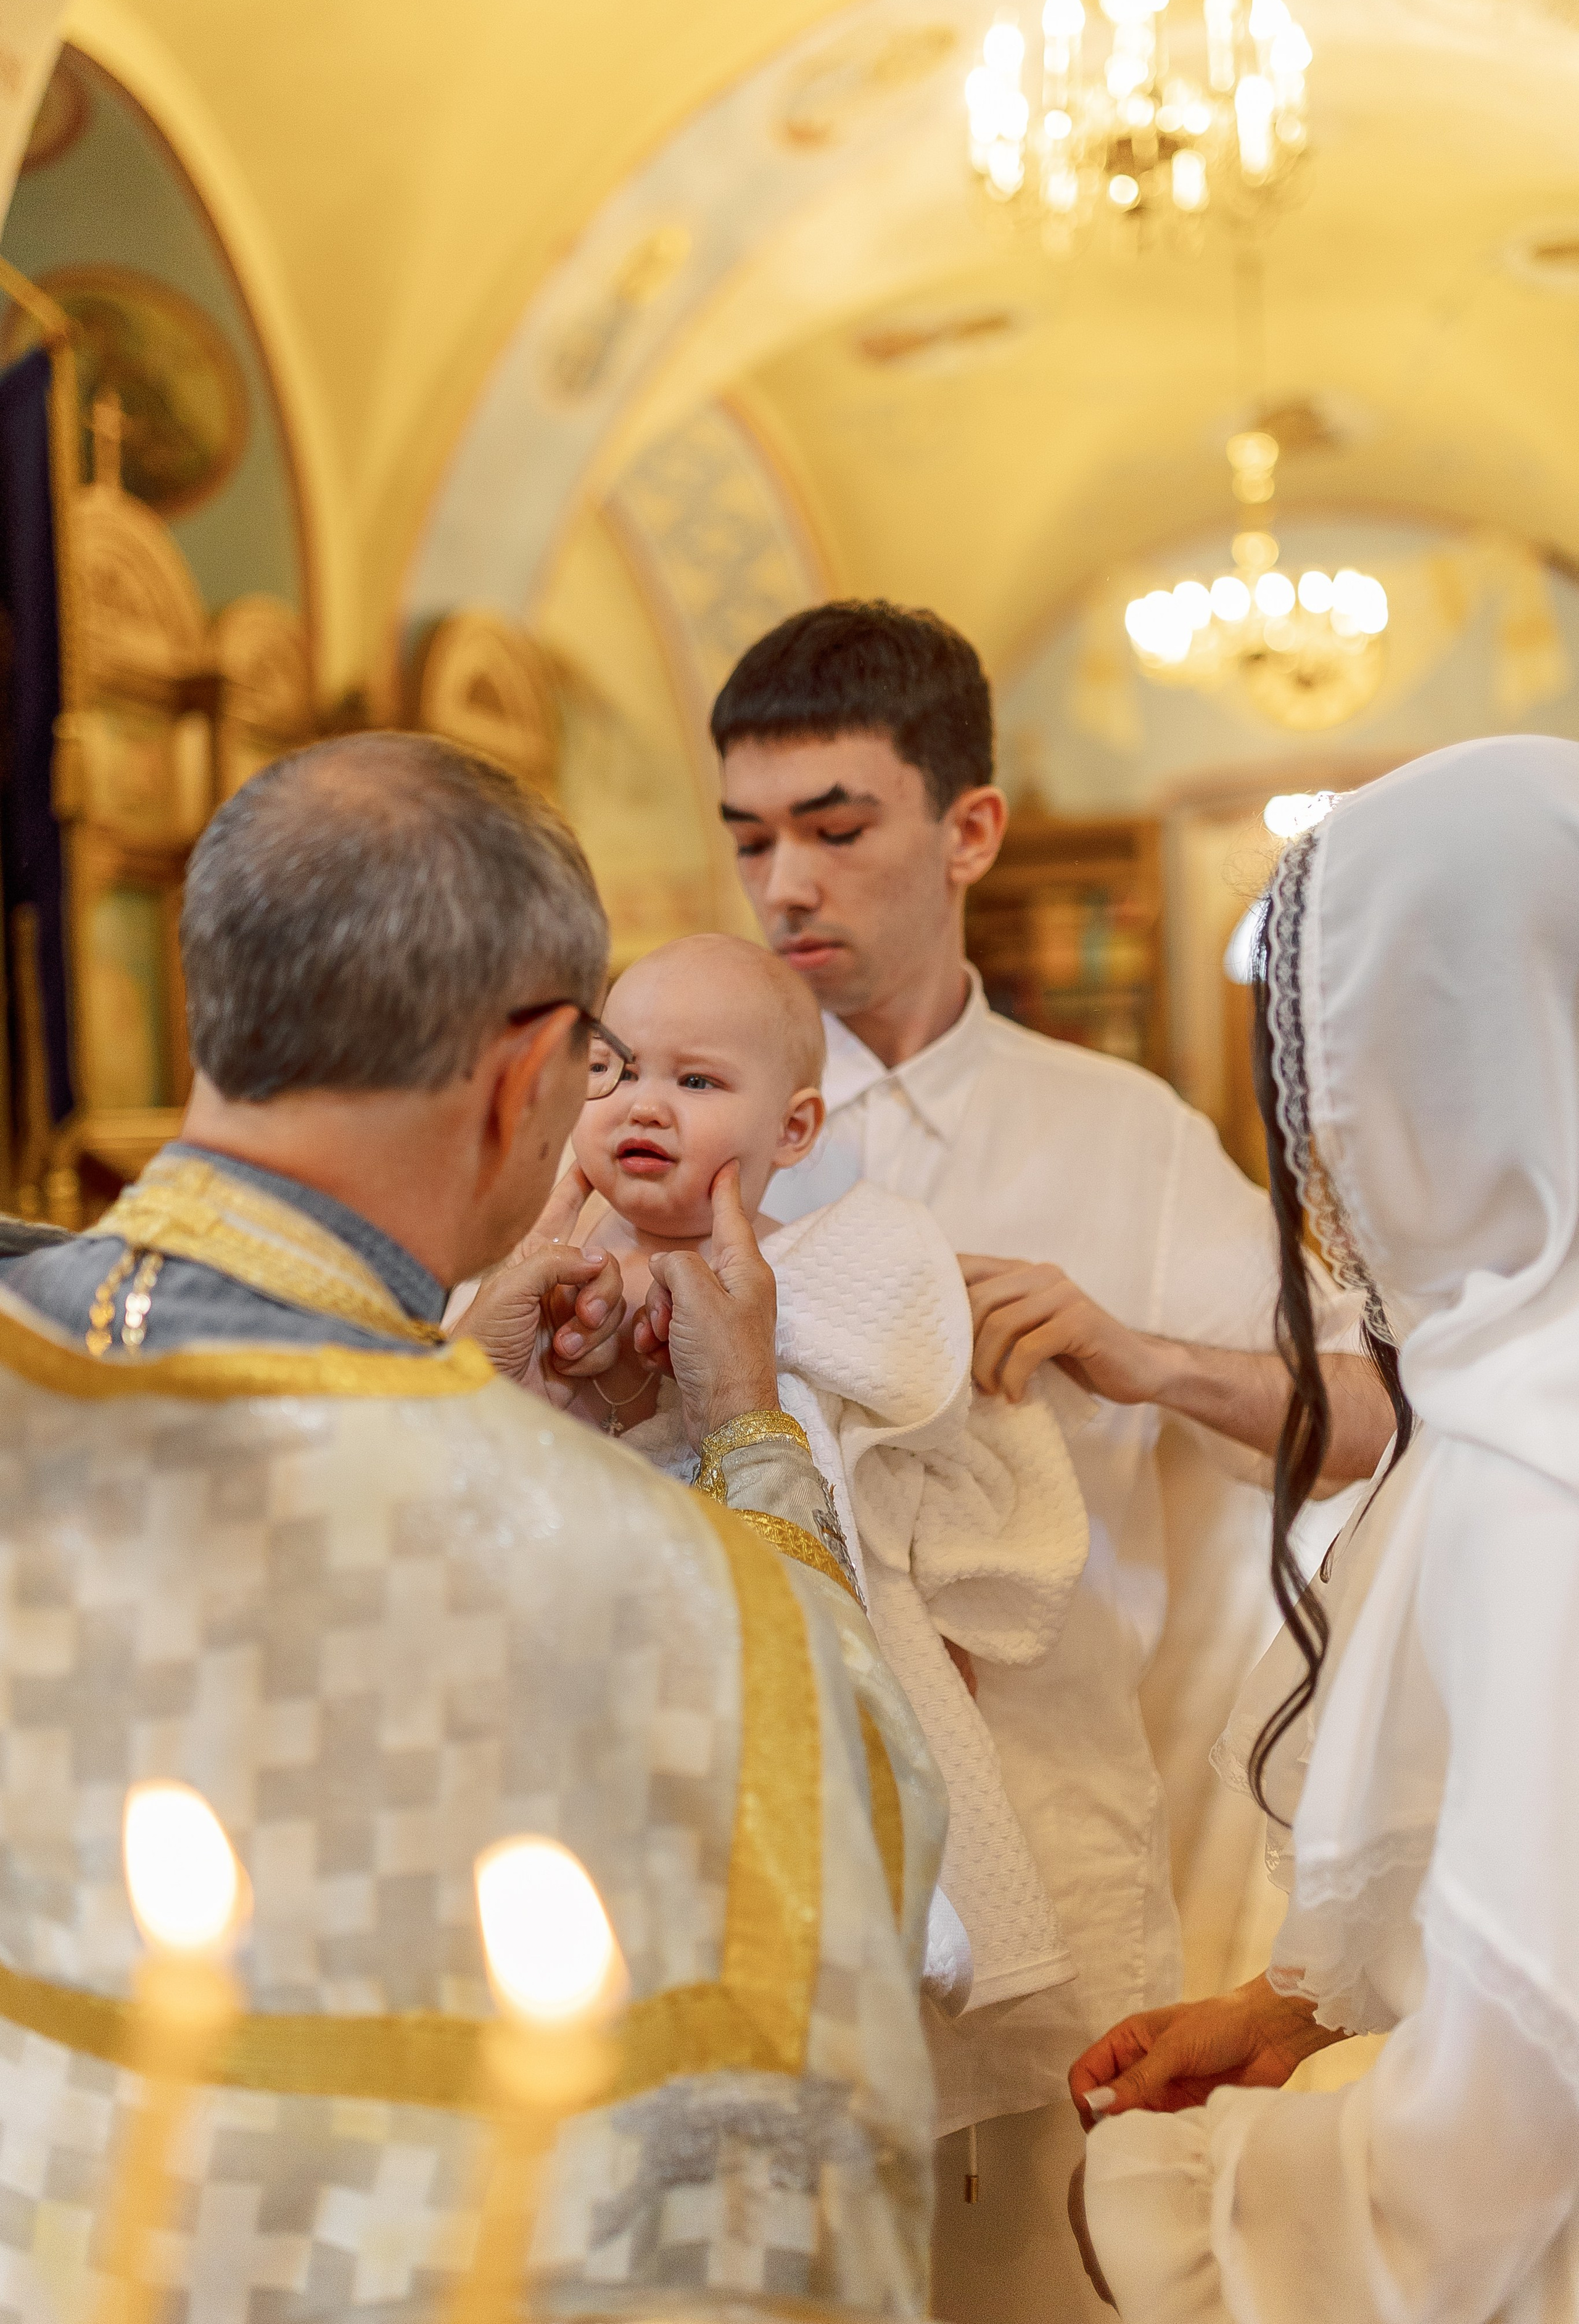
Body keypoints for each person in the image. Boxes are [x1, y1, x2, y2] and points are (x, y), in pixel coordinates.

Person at [0, 733, 948, 2322]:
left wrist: (457, 1376)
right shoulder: (679, 1600)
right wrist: (754, 1446)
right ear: (528, 1078)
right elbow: (852, 1839)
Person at [709, 601, 1396, 2324]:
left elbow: (1375, 1423)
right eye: (748, 837)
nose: (783, 884)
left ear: (971, 832)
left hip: (1069, 1854)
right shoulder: (681, 1122)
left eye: (835, 826)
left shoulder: (1126, 1140)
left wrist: (1141, 1354)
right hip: (761, 1859)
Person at [1071, 732, 1579, 2324]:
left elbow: (1516, 2082)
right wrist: (1291, 2012)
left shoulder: (1538, 1458)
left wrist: (1198, 2213)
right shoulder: (1510, 1377)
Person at [559, 930, 1092, 2019]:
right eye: (613, 1070)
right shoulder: (528, 1274)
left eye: (696, 1080)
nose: (642, 1105)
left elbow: (936, 1460)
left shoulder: (829, 1277)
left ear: (795, 1128)